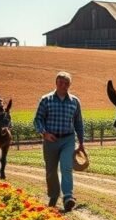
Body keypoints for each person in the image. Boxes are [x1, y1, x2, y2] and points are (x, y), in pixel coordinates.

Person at [33, 71, 85, 211]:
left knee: (66, 167)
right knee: (51, 170)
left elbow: (79, 123)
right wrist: (44, 133)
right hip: (50, 140)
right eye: (61, 82)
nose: (63, 85)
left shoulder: (75, 101)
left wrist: (81, 143)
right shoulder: (46, 100)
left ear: (70, 85)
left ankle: (68, 197)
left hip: (68, 139)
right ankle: (54, 195)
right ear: (56, 83)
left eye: (66, 83)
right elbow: (37, 120)